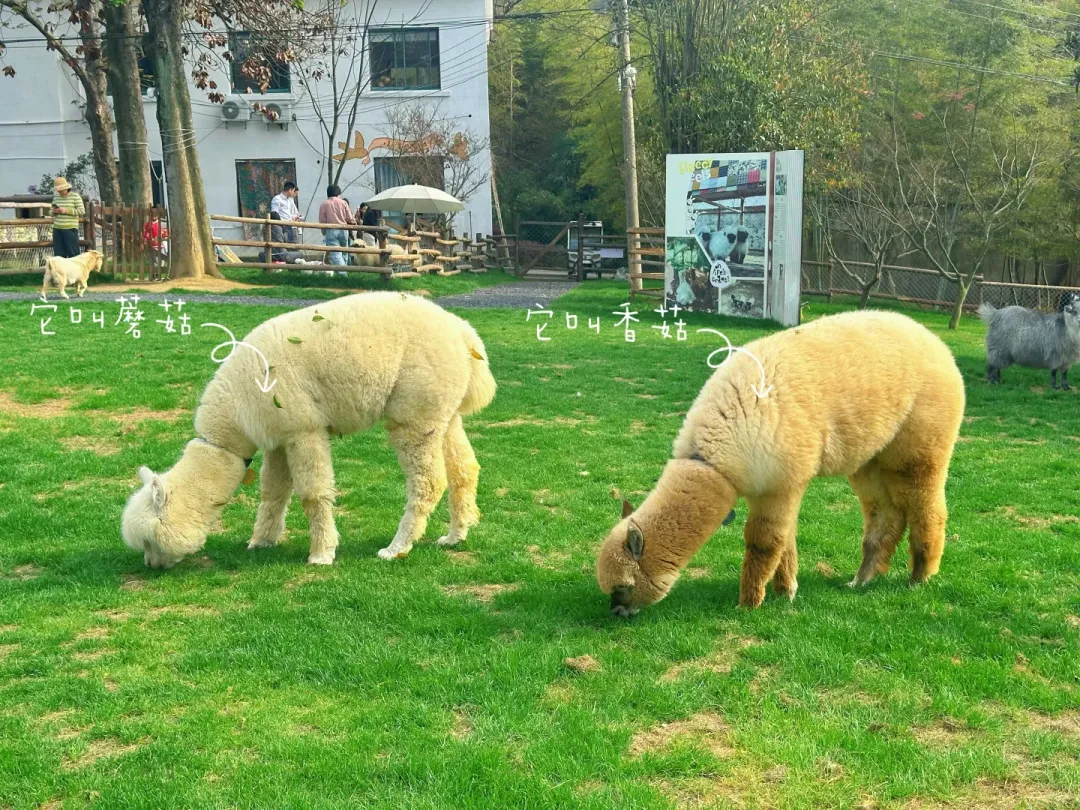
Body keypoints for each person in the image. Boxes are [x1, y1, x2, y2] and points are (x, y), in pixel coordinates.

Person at [318, 184, 353, 266]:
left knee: (335, 254)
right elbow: (349, 217)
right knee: (344, 252)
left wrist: (323, 232)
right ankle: (345, 269)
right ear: (338, 193)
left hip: (331, 230)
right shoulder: (343, 203)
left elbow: (322, 221)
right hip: (343, 229)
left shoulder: (324, 204)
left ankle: (342, 274)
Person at [51, 176, 84, 259]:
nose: (60, 192)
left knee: (73, 253)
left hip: (70, 228)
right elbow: (50, 211)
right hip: (57, 228)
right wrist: (54, 212)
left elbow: (81, 211)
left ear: (67, 188)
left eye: (62, 190)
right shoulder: (56, 197)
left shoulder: (75, 197)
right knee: (58, 254)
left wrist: (66, 211)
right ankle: (61, 271)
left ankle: (75, 271)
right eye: (59, 190)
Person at [270, 181, 301, 245]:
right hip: (282, 226)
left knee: (293, 246)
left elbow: (288, 213)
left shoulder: (289, 200)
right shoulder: (277, 199)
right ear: (290, 190)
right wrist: (281, 223)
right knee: (283, 245)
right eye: (293, 191)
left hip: (290, 225)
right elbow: (274, 214)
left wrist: (294, 217)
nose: (293, 193)